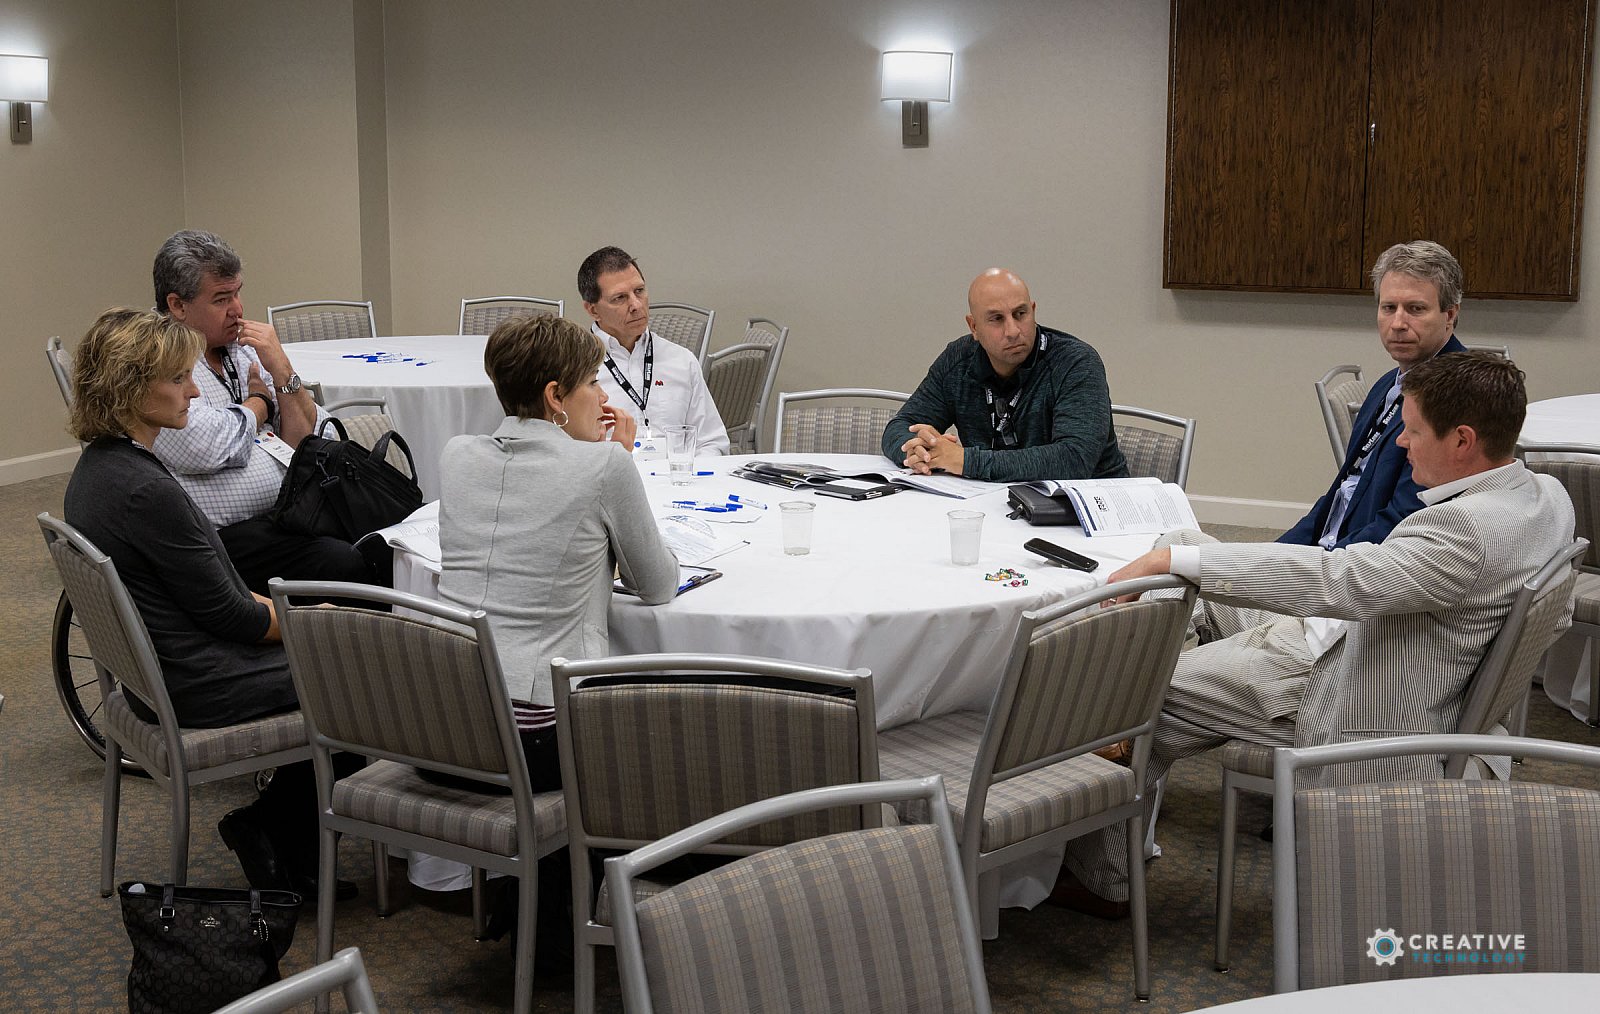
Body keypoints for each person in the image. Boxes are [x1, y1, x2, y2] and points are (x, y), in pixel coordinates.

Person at [1053, 351, 1574, 916]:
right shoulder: (1545, 496)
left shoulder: (1466, 532)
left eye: (1414, 431)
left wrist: (1171, 565)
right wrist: (1179, 557)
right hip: (1342, 635)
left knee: (1132, 694)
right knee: (1182, 543)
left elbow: (1339, 579)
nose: (1402, 443)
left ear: (1463, 441)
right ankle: (1121, 758)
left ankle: (1104, 872)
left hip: (1344, 683)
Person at [62, 308, 353, 899]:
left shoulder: (97, 470)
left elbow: (221, 601)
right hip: (198, 682)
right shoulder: (148, 491)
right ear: (129, 388)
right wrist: (321, 624)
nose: (194, 391)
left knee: (341, 644)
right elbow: (235, 617)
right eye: (178, 379)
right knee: (367, 671)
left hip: (154, 675)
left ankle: (285, 837)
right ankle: (274, 829)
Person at [437, 314, 679, 789]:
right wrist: (618, 462)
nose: (604, 397)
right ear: (555, 397)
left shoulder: (457, 454)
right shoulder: (606, 465)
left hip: (436, 724)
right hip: (528, 741)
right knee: (677, 736)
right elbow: (658, 585)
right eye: (592, 382)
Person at [150, 229, 377, 592]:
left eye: (237, 293)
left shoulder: (241, 348)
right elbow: (206, 445)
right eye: (221, 299)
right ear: (177, 305)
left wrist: (282, 369)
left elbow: (310, 438)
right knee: (345, 562)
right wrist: (261, 404)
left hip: (288, 512)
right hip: (219, 541)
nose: (238, 310)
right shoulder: (157, 358)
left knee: (381, 540)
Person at [1280, 240, 1468, 550]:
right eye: (1389, 308)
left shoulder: (1456, 394)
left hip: (1360, 564)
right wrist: (1275, 553)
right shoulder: (1388, 383)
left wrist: (1316, 565)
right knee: (1207, 557)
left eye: (1416, 309)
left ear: (1449, 314)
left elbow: (1404, 522)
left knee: (1202, 566)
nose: (1398, 324)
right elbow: (1344, 487)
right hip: (1334, 549)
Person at [881, 268, 1127, 482]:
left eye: (1020, 314)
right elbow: (901, 426)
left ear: (1033, 311)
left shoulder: (1076, 362)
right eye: (997, 319)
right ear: (974, 327)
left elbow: (1073, 459)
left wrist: (964, 461)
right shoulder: (958, 361)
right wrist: (920, 452)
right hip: (997, 500)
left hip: (1091, 508)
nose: (1013, 331)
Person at [578, 245, 730, 457]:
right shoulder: (574, 368)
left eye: (639, 291)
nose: (636, 305)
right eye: (620, 298)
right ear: (593, 310)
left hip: (678, 476)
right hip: (610, 475)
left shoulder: (681, 360)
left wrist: (687, 473)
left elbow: (712, 442)